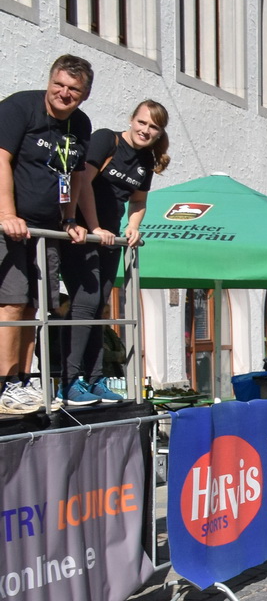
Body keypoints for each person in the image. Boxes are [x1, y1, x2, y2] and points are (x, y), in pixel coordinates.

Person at [56, 99, 171, 406]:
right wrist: (93, 226)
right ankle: (68, 382)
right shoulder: (108, 139)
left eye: (153, 127)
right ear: (132, 119)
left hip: (109, 238)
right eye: (142, 122)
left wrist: (132, 226)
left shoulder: (145, 160)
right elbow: (82, 181)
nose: (145, 130)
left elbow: (138, 201)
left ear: (160, 133)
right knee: (85, 302)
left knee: (99, 307)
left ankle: (95, 380)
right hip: (81, 231)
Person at [0, 56, 95, 414]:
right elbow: (1, 159)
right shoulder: (20, 108)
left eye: (74, 90)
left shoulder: (79, 124)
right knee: (12, 301)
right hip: (11, 224)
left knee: (35, 305)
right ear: (50, 81)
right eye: (59, 84)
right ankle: (5, 383)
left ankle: (24, 381)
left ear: (84, 95)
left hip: (46, 229)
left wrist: (69, 218)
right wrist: (7, 214)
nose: (64, 93)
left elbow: (73, 174)